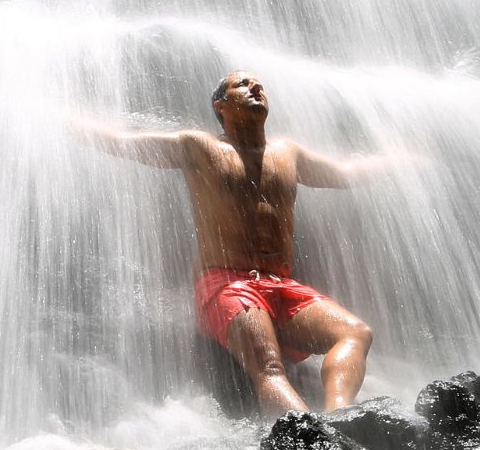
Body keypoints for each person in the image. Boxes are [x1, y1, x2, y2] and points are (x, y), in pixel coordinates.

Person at [71, 71, 384, 415]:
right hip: (227, 283)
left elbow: (344, 173)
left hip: (282, 286)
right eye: (243, 85)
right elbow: (123, 143)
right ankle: (313, 438)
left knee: (356, 332)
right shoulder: (199, 147)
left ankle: (340, 419)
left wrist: (400, 165)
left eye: (259, 84)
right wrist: (65, 122)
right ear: (221, 106)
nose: (256, 87)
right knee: (268, 366)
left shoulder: (287, 153)